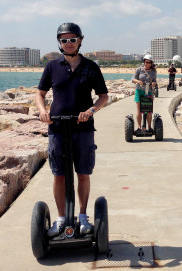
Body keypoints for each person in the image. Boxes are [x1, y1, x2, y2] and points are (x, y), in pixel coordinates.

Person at [35, 22, 109, 237]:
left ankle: (84, 217)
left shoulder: (91, 67)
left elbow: (103, 96)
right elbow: (40, 93)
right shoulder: (52, 66)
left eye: (72, 40)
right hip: (57, 127)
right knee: (59, 175)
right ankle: (60, 219)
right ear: (59, 42)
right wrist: (42, 111)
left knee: (83, 173)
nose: (68, 43)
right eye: (64, 40)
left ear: (80, 40)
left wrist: (91, 111)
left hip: (83, 128)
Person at [131, 54, 157, 133]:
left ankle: (149, 128)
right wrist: (138, 81)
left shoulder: (153, 72)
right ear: (144, 62)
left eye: (149, 62)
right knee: (139, 110)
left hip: (148, 92)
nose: (147, 64)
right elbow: (133, 79)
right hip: (139, 91)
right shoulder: (139, 70)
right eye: (146, 62)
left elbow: (155, 81)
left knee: (148, 111)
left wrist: (153, 83)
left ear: (151, 63)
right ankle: (139, 128)